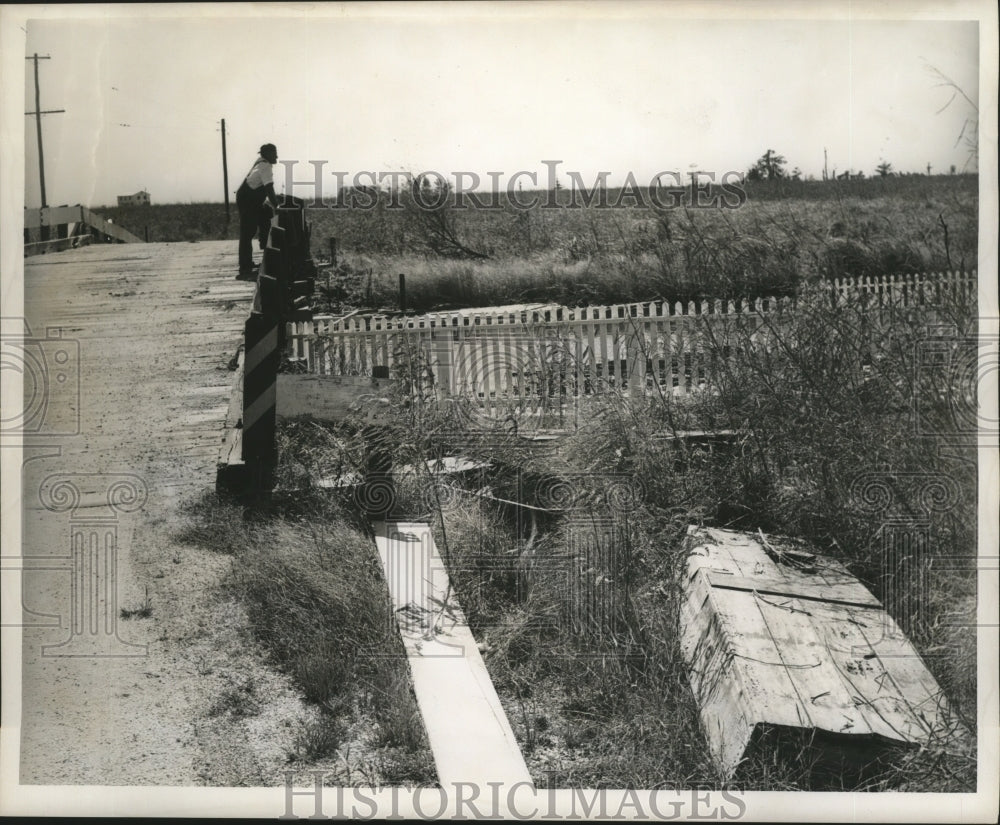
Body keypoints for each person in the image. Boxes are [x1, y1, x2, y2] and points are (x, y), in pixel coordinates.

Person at [236, 143, 280, 278]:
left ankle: (263, 242)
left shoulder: (260, 163)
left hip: (249, 198)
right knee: (247, 233)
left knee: (266, 213)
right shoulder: (265, 166)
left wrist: (272, 206)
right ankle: (245, 266)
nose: (277, 156)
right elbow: (269, 189)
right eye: (274, 153)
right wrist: (277, 207)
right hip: (248, 201)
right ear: (266, 154)